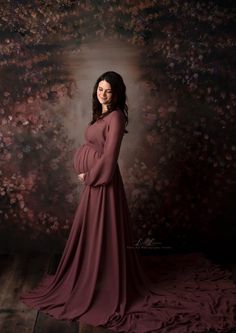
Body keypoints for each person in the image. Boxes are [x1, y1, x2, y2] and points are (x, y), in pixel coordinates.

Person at [20, 71, 236, 333]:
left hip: (102, 184)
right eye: (100, 89)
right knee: (93, 234)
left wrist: (89, 175)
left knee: (104, 234)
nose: (103, 94)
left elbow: (110, 159)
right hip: (93, 187)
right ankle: (92, 274)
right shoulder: (101, 114)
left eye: (109, 90)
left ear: (118, 93)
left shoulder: (117, 117)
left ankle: (105, 283)